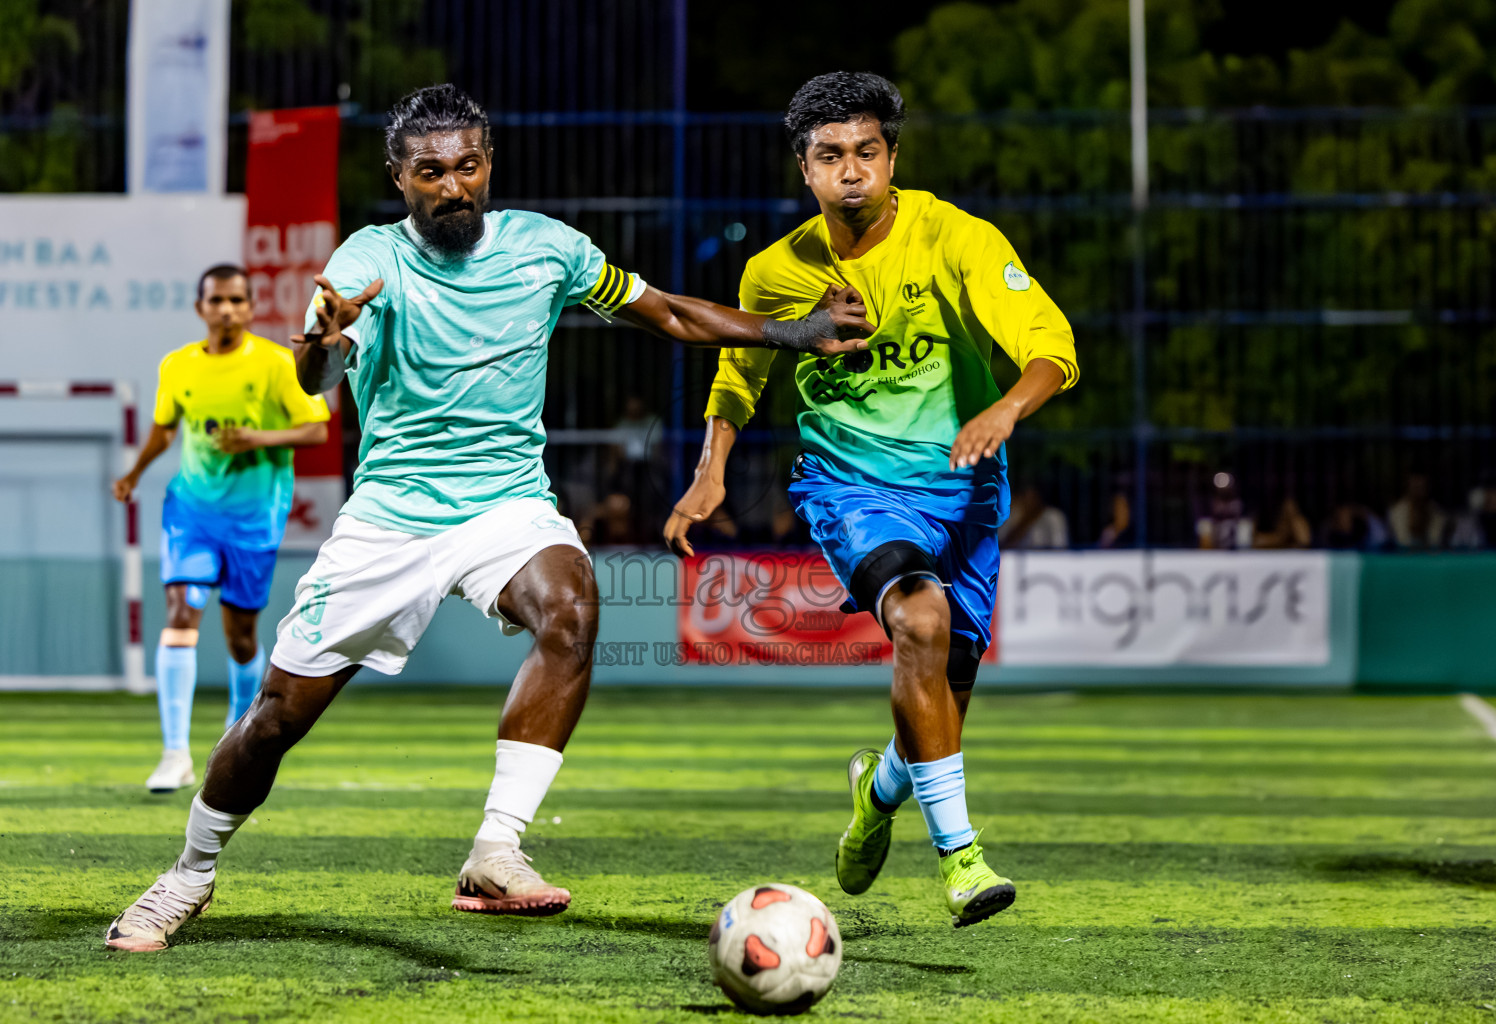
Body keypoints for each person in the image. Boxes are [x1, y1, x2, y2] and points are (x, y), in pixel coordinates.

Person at [104, 83, 872, 952]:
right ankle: (189, 874)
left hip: (504, 504)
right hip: (391, 519)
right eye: (431, 171)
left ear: (488, 165)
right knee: (278, 713)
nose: (453, 186)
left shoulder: (549, 249)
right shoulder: (371, 258)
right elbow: (319, 378)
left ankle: (497, 848)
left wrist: (795, 331)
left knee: (573, 607)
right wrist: (322, 339)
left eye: (468, 166)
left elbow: (664, 312)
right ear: (400, 177)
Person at [665, 73, 1078, 928]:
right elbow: (738, 374)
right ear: (805, 171)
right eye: (830, 157)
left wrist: (1005, 407)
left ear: (891, 159)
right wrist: (712, 469)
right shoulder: (774, 272)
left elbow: (1052, 345)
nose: (850, 171)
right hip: (849, 485)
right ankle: (962, 860)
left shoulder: (954, 237)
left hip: (963, 490)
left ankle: (878, 790)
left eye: (865, 152)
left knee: (943, 708)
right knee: (919, 622)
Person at [112, 265, 330, 794]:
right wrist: (135, 473)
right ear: (200, 308)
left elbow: (317, 428)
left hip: (254, 518)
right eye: (217, 301)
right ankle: (173, 754)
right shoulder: (178, 365)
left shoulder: (278, 363)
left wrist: (254, 439)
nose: (227, 309)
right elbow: (165, 430)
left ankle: (236, 735)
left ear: (251, 308)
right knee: (181, 613)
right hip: (190, 513)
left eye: (237, 300)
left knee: (239, 638)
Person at [1000, 483, 1069, 549]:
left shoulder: (1053, 516)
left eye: (1033, 497)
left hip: (1047, 559)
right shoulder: (1013, 514)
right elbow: (1002, 543)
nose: (1029, 501)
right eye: (1025, 496)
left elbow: (1060, 547)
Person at [1387, 472, 1446, 549]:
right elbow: (1402, 542)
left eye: (1422, 488)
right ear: (1408, 489)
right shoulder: (1396, 512)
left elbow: (1435, 542)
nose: (1418, 493)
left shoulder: (1436, 513)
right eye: (1415, 487)